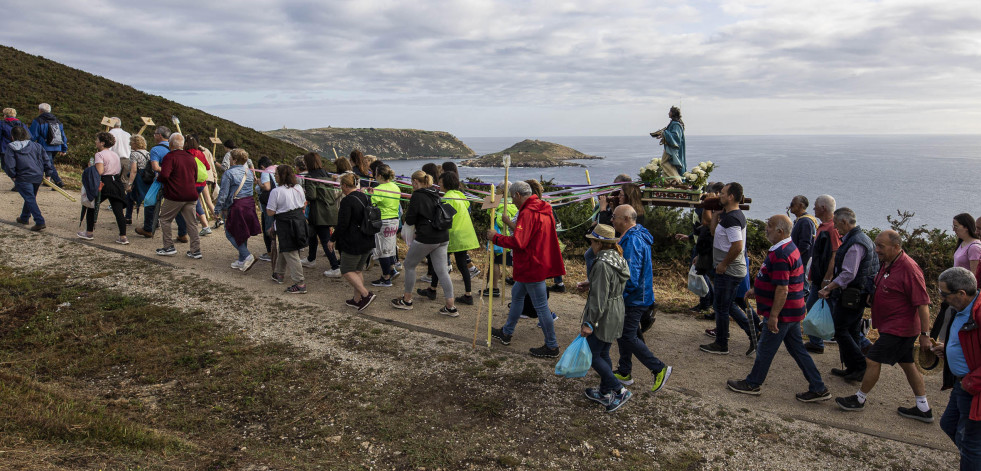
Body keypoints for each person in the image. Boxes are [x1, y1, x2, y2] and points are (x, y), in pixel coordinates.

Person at [725, 215, 830, 401]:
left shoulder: (781, 254)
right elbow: (776, 280)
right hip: (792, 311)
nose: (766, 228)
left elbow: (783, 288)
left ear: (780, 231)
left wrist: (774, 316)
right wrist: (756, 290)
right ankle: (818, 387)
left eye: (770, 226)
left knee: (765, 349)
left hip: (782, 313)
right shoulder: (787, 248)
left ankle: (753, 383)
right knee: (797, 349)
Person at [835, 230, 935, 421]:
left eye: (881, 246)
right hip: (891, 325)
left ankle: (859, 399)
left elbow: (923, 304)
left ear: (896, 247)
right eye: (876, 244)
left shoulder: (910, 269)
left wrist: (925, 333)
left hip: (901, 328)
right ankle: (923, 408)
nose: (876, 249)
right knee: (908, 365)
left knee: (872, 360)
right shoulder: (888, 262)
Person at [489, 181, 566, 358]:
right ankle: (506, 332)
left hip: (531, 264)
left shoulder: (527, 212)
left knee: (541, 306)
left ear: (517, 195)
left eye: (512, 198)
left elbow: (519, 242)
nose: (512, 202)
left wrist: (496, 238)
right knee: (517, 295)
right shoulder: (543, 207)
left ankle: (552, 346)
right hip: (537, 260)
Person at [603, 205, 672, 393]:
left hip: (635, 298)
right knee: (626, 332)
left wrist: (615, 294)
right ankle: (625, 371)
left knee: (627, 335)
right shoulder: (634, 235)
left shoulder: (632, 241)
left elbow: (630, 276)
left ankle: (659, 368)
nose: (611, 220)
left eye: (614, 216)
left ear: (626, 219)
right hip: (636, 295)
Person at [818, 208, 880, 382]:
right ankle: (853, 367)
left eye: (837, 224)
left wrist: (828, 287)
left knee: (840, 329)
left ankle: (860, 366)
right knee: (851, 330)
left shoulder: (855, 243)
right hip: (858, 292)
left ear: (844, 222)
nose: (836, 228)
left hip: (852, 294)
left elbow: (848, 274)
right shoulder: (862, 239)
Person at [930, 267, 981, 470]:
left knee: (971, 444)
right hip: (963, 384)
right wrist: (948, 350)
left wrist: (970, 383)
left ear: (961, 293)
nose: (941, 298)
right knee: (949, 425)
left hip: (974, 389)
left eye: (944, 294)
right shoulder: (962, 309)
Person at [579, 224, 633, 412]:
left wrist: (589, 323)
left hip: (604, 313)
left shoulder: (601, 264)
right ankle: (604, 391)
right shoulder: (617, 257)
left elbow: (599, 299)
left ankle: (619, 390)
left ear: (599, 244)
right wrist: (591, 282)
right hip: (617, 309)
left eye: (592, 242)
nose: (591, 245)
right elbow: (611, 284)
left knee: (593, 356)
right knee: (603, 353)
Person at [390, 171, 458, 316]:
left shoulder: (417, 195)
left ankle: (407, 300)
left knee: (409, 265)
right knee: (442, 270)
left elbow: (410, 219)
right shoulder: (435, 192)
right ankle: (450, 306)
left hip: (427, 236)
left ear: (415, 181)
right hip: (442, 235)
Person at [700, 182, 756, 355]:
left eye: (723, 193)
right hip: (727, 268)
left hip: (729, 270)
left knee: (722, 307)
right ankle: (754, 334)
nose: (719, 196)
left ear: (731, 196)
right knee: (727, 305)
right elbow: (713, 232)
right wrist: (716, 214)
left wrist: (723, 264)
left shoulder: (733, 219)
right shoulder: (728, 215)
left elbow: (738, 246)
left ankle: (721, 343)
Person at [423, 172, 479, 304]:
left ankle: (433, 289)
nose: (439, 185)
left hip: (453, 235)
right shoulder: (460, 196)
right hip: (465, 235)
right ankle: (467, 294)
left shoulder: (447, 198)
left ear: (446, 183)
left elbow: (445, 218)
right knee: (462, 265)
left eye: (441, 182)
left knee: (439, 263)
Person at [331, 173, 377, 310]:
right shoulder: (364, 196)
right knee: (357, 270)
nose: (341, 189)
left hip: (353, 241)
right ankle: (357, 299)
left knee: (346, 269)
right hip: (367, 238)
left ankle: (365, 294)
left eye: (341, 186)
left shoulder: (347, 201)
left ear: (345, 186)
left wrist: (333, 238)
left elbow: (343, 223)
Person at [135, 127, 188, 242]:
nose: (154, 136)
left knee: (149, 201)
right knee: (177, 206)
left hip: (161, 180)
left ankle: (148, 228)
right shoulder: (181, 151)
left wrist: (166, 171)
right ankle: (183, 233)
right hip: (177, 182)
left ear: (159, 135)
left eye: (155, 134)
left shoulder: (156, 149)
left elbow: (155, 167)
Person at [155, 133, 202, 259]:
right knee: (191, 223)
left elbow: (164, 175)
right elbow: (195, 176)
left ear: (170, 144)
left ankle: (168, 247)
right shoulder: (190, 157)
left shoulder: (170, 157)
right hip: (191, 195)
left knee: (165, 219)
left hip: (175, 194)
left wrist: (159, 180)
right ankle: (195, 250)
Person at [805, 195, 841, 354]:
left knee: (827, 310)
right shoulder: (824, 226)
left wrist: (827, 278)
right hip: (819, 277)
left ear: (823, 208)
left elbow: (835, 254)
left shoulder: (832, 228)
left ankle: (861, 340)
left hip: (824, 279)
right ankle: (816, 342)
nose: (813, 209)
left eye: (815, 206)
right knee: (816, 307)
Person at [77, 132, 129, 244]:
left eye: (97, 140)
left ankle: (89, 232)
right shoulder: (115, 154)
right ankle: (123, 236)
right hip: (116, 182)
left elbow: (100, 171)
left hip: (104, 182)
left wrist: (91, 167)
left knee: (92, 205)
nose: (95, 142)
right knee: (118, 210)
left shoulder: (99, 155)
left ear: (102, 143)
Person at [215, 148, 260, 271]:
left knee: (230, 232)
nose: (229, 160)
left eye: (230, 158)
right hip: (249, 203)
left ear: (234, 160)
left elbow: (223, 194)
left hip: (236, 205)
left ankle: (246, 255)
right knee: (243, 231)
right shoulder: (249, 172)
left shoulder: (229, 174)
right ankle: (241, 260)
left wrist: (217, 209)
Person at [266, 165, 309, 293]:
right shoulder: (298, 188)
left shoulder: (276, 191)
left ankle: (300, 283)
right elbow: (303, 203)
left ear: (282, 176)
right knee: (286, 247)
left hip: (285, 222)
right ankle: (279, 273)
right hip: (299, 219)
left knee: (291, 251)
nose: (275, 176)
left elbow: (270, 212)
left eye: (277, 174)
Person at [3, 125, 50, 231]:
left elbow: (9, 164)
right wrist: (48, 173)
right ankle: (24, 217)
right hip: (37, 175)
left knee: (30, 198)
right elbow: (46, 159)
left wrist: (13, 175)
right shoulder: (36, 145)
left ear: (13, 136)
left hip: (23, 176)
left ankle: (39, 221)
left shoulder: (11, 147)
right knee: (30, 197)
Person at [301, 152, 341, 274]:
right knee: (312, 235)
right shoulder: (326, 174)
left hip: (319, 212)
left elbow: (312, 196)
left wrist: (304, 193)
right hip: (329, 209)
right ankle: (311, 259)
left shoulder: (311, 177)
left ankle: (335, 267)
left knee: (325, 239)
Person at [480, 182, 517, 298]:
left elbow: (488, 211)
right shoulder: (515, 203)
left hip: (498, 238)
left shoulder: (496, 201)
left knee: (495, 262)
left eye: (497, 188)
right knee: (514, 262)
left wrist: (494, 197)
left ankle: (494, 288)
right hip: (511, 238)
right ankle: (519, 285)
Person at [367, 164, 401, 287]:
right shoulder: (395, 186)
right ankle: (392, 269)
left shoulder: (380, 188)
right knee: (390, 246)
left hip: (384, 220)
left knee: (382, 249)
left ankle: (386, 277)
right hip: (394, 219)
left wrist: (368, 193)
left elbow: (372, 202)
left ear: (380, 175)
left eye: (375, 173)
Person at [27, 103, 66, 188]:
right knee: (49, 163)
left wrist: (27, 144)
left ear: (40, 110)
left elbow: (33, 135)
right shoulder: (57, 121)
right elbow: (63, 135)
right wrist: (64, 148)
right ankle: (48, 180)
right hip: (57, 145)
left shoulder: (38, 121)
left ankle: (58, 181)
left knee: (49, 164)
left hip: (45, 146)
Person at [184, 135, 212, 236]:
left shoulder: (186, 154)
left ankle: (197, 226)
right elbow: (208, 167)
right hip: (201, 183)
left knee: (189, 205)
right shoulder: (200, 153)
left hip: (191, 184)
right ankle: (205, 226)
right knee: (196, 204)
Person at [788, 195, 817, 286]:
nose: (790, 206)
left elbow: (805, 244)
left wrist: (794, 258)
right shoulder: (799, 220)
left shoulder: (805, 221)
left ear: (800, 205)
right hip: (800, 261)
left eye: (793, 204)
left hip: (802, 262)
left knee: (802, 288)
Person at [651, 106, 685, 181]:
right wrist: (662, 135)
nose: (668, 113)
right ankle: (669, 181)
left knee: (664, 162)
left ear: (673, 113)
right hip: (669, 147)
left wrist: (664, 133)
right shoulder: (673, 123)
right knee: (669, 163)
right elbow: (670, 134)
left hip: (671, 148)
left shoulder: (676, 124)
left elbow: (676, 136)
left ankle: (677, 179)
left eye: (670, 112)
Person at [124, 135, 149, 225]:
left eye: (131, 143)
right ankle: (150, 219)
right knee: (147, 198)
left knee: (130, 197)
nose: (130, 144)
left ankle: (128, 217)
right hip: (147, 178)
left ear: (135, 143)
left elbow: (133, 170)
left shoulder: (134, 154)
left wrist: (129, 183)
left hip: (137, 178)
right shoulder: (148, 153)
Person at [256, 156, 277, 261]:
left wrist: (259, 183)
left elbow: (267, 187)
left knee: (268, 227)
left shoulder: (265, 172)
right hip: (280, 203)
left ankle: (270, 253)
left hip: (269, 204)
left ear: (262, 166)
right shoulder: (277, 169)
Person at [1, 108, 28, 182]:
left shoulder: (2, 124)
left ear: (5, 115)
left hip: (5, 148)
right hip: (20, 147)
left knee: (5, 166)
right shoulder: (21, 124)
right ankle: (20, 181)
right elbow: (29, 136)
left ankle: (16, 181)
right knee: (18, 165)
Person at [108, 118, 131, 183]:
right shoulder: (127, 134)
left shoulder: (110, 134)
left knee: (114, 182)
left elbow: (108, 149)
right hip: (127, 160)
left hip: (114, 161)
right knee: (125, 182)